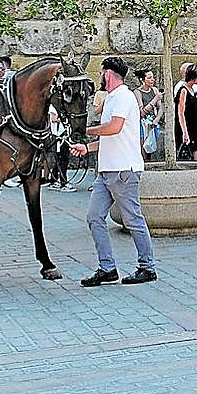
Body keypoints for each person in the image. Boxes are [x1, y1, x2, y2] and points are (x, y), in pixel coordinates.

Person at [71, 56, 157, 286]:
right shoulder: (111, 98)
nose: (99, 76)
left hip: (123, 170)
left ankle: (147, 267)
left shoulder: (123, 97)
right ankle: (107, 268)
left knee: (133, 219)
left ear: (108, 74)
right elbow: (111, 137)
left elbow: (114, 127)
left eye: (101, 72)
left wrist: (84, 130)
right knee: (94, 217)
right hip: (107, 170)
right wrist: (86, 147)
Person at [174, 64, 197, 162]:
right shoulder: (183, 90)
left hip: (193, 127)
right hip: (186, 127)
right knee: (195, 154)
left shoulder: (192, 89)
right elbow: (180, 113)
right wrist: (185, 132)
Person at [133, 67, 163, 162]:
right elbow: (141, 112)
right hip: (142, 123)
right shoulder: (137, 92)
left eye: (152, 77)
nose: (152, 80)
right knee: (143, 146)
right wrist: (155, 99)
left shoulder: (154, 90)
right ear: (142, 80)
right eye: (149, 78)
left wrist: (157, 119)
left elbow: (160, 107)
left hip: (153, 123)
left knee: (151, 146)